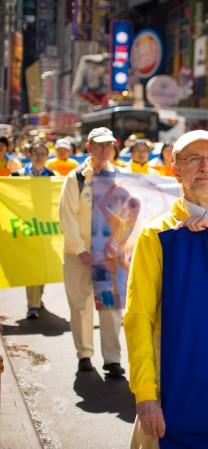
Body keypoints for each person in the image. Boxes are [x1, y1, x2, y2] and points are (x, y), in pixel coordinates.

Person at [124, 130, 208, 448]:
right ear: (176, 169)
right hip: (174, 383)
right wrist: (146, 396)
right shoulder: (156, 236)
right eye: (193, 159)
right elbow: (137, 317)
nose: (204, 166)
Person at [58, 127, 125, 377]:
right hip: (78, 255)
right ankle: (84, 354)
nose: (104, 149)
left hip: (109, 255)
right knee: (81, 304)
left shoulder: (120, 177)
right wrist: (80, 250)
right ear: (88, 146)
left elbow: (127, 215)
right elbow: (67, 216)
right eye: (99, 144)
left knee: (111, 306)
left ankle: (112, 359)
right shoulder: (76, 178)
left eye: (108, 145)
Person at [12, 142, 55, 318]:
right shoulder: (17, 175)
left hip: (46, 228)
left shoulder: (53, 176)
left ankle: (38, 298)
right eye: (36, 153)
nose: (39, 156)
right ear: (29, 154)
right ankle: (33, 305)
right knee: (32, 265)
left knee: (43, 266)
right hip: (25, 226)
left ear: (47, 156)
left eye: (43, 153)